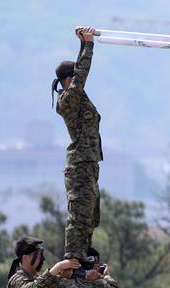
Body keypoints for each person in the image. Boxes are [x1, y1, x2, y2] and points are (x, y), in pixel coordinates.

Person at [53, 25, 103, 262]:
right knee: (79, 214)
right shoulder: (68, 100)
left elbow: (78, 73)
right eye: (74, 79)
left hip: (88, 163)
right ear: (69, 80)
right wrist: (89, 44)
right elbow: (81, 73)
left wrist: (83, 42)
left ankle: (84, 256)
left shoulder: (77, 97)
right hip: (80, 164)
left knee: (91, 215)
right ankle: (73, 259)